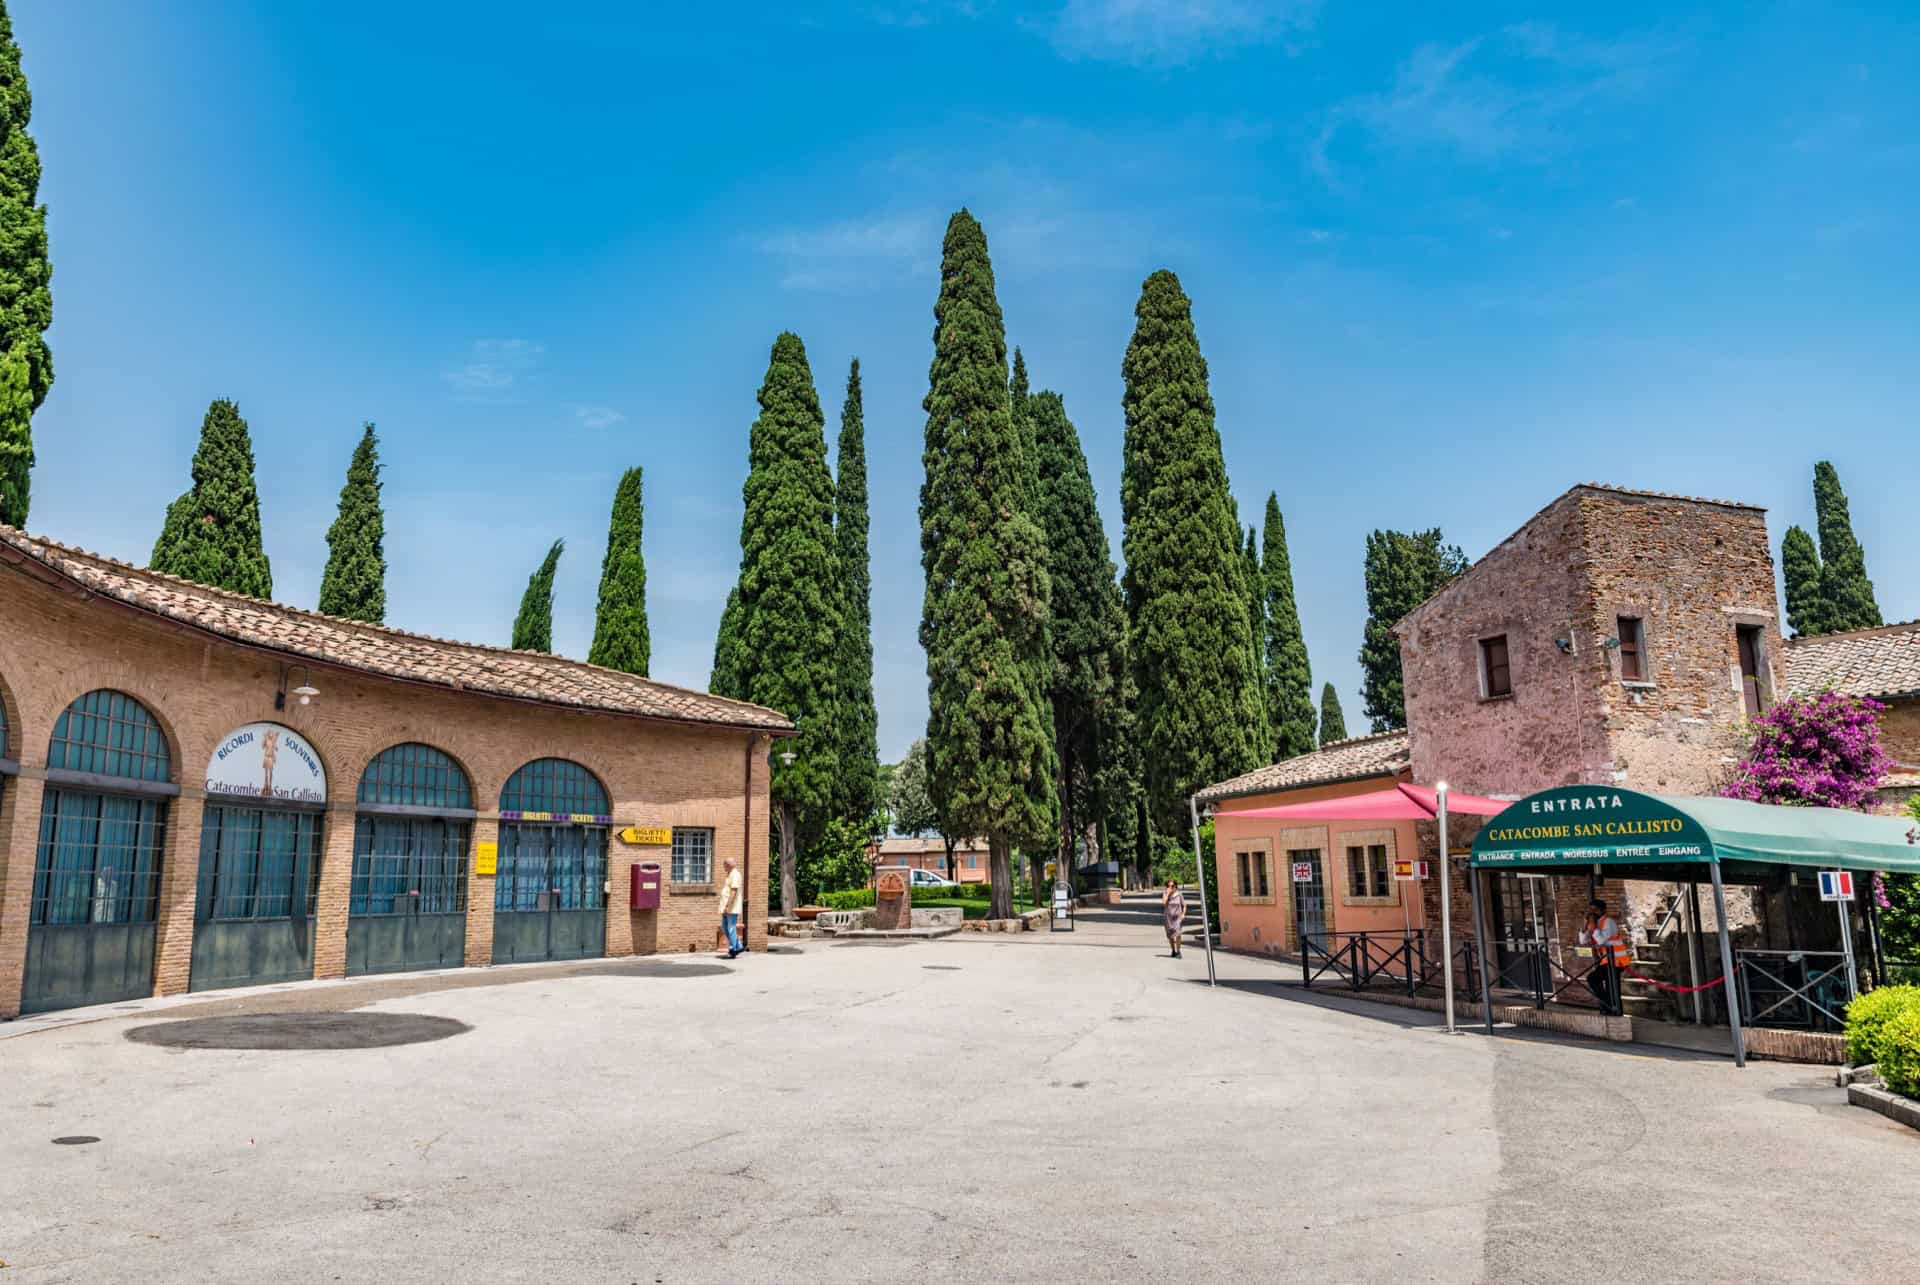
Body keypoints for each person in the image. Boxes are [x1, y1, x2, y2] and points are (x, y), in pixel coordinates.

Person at [1580, 897, 1629, 1015]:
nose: (1592, 913)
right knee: (1606, 985)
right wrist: (1585, 926)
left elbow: (1601, 940)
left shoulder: (1608, 922)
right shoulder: (1594, 923)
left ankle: (1611, 1008)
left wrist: (1594, 928)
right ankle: (1610, 1008)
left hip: (1616, 960)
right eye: (1590, 910)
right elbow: (1583, 941)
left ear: (1603, 910)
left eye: (1595, 910)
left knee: (1598, 981)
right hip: (1605, 961)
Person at [717, 859, 744, 959]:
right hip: (726, 907)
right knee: (725, 927)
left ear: (729, 865)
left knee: (731, 928)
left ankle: (733, 949)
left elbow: (734, 891)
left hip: (731, 908)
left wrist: (728, 906)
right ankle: (739, 946)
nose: (724, 867)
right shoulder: (730, 874)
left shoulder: (735, 875)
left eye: (724, 865)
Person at [1163, 880, 1187, 958]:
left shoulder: (1179, 894)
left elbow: (1184, 905)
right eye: (1169, 886)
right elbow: (1164, 903)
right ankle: (1173, 950)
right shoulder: (1165, 894)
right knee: (1170, 936)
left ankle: (1178, 951)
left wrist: (1183, 914)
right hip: (1168, 918)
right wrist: (1168, 894)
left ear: (1176, 886)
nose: (1171, 887)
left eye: (1172, 886)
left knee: (1178, 934)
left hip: (1178, 918)